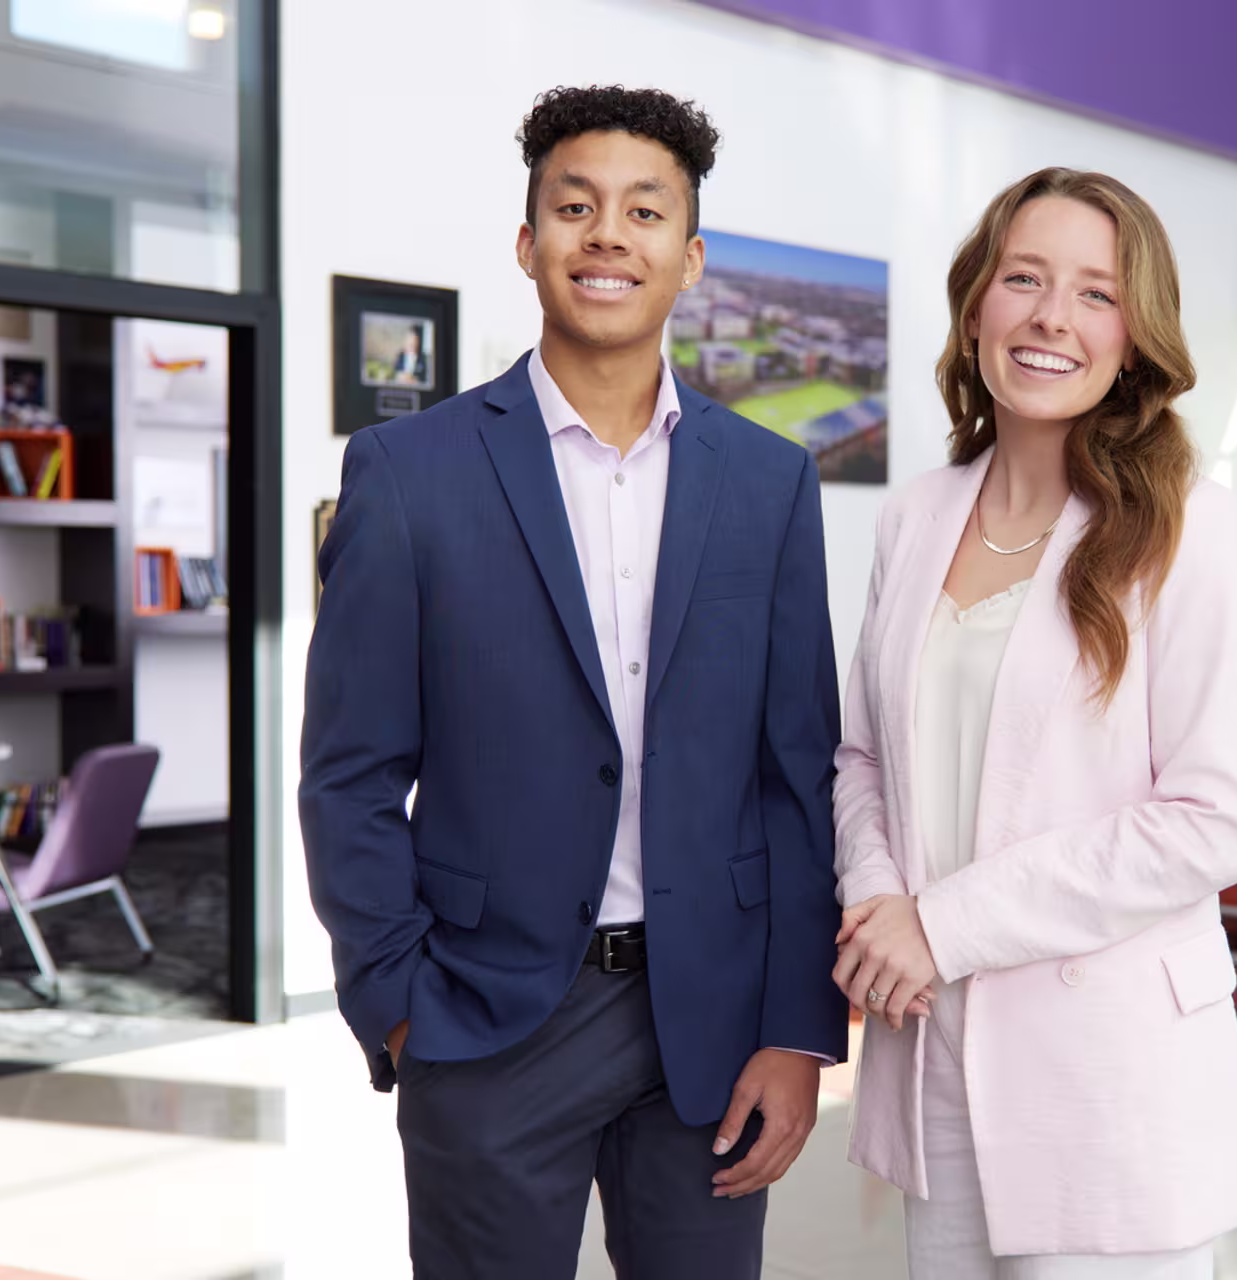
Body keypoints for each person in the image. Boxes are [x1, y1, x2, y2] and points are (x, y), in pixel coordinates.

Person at [299, 85, 847, 1280]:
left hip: (710, 1016)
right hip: (488, 1019)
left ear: (689, 257)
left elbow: (797, 775)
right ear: (527, 242)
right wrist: (396, 998)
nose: (609, 233)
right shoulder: (409, 469)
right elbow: (348, 769)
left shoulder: (769, 483)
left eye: (645, 211)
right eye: (575, 205)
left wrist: (799, 1029)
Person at [830, 168, 1237, 1279]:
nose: (1049, 318)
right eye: (1023, 277)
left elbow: (1211, 822)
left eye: (1094, 293)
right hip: (935, 1053)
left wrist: (945, 921)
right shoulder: (915, 515)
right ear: (977, 301)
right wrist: (878, 894)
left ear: (1135, 336)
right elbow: (862, 753)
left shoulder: (1188, 527)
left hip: (1110, 1081)